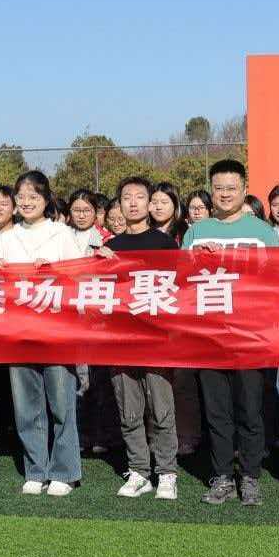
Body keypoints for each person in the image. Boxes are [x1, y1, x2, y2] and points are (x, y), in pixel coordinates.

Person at [183, 159, 279, 506]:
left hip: (250, 337)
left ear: (244, 189)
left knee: (250, 410)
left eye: (231, 188)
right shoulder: (197, 232)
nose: (225, 194)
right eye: (219, 188)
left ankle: (250, 476)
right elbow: (181, 281)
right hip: (209, 338)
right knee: (217, 412)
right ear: (211, 190)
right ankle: (222, 476)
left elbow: (276, 281)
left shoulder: (263, 232)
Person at [0, 170, 86, 495]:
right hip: (19, 332)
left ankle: (65, 471)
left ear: (46, 199)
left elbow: (80, 277)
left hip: (56, 332)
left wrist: (57, 271)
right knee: (26, 406)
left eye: (34, 196)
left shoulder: (61, 234)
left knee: (61, 403)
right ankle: (36, 469)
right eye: (21, 196)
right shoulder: (6, 237)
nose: (27, 202)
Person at [105, 176, 182, 501]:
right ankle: (139, 470)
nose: (133, 203)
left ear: (150, 203)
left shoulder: (165, 244)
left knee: (161, 408)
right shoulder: (110, 248)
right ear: (119, 204)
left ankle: (166, 472)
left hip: (156, 340)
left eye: (139, 197)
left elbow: (179, 290)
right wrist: (100, 264)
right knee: (129, 409)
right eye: (127, 197)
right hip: (121, 340)